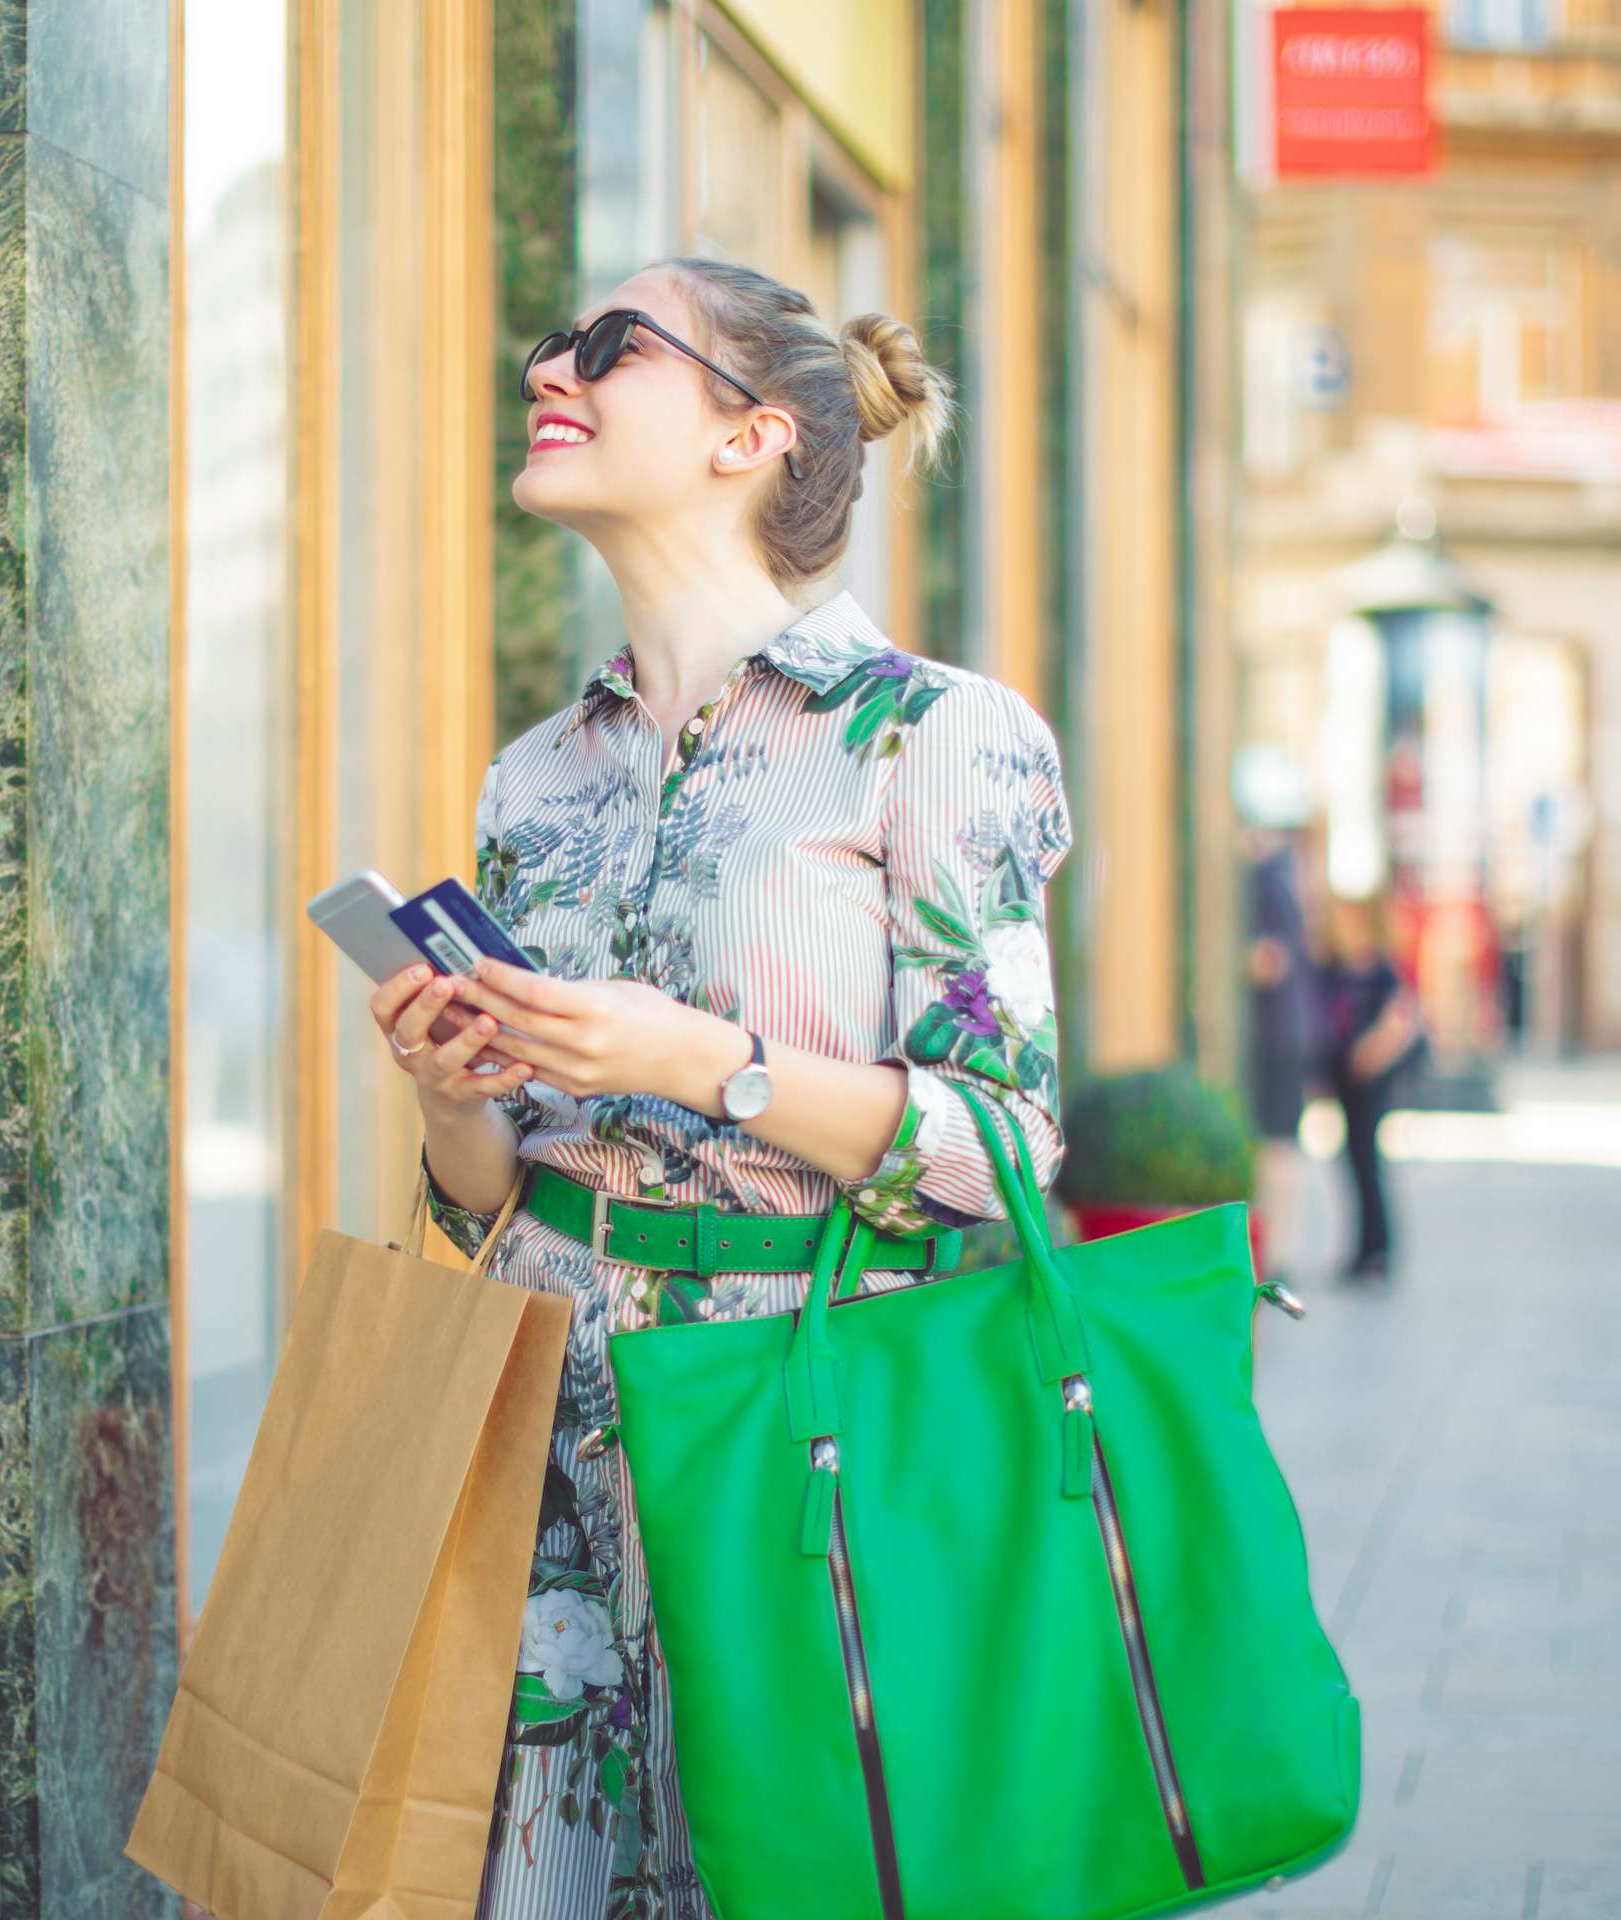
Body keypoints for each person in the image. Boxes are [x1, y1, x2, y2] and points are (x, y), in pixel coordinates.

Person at [365, 259, 1071, 1920]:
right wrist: (449, 1095)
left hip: (798, 1423)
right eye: (557, 337)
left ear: (752, 434)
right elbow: (488, 1189)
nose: (549, 360)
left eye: (611, 345)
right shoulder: (534, 776)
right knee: (527, 1880)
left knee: (776, 1873)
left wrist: (711, 1067)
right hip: (533, 1434)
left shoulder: (933, 736)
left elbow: (1008, 1145)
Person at [1319, 894, 1417, 1282]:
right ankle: (1361, 1251)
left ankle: (1378, 1251)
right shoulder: (1337, 968)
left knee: (1368, 1163)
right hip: (1346, 1081)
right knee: (1353, 1163)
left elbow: (1402, 1020)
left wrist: (1371, 1053)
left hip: (1372, 1081)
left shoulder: (1383, 972)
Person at [1242, 827, 1314, 1282]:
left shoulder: (1262, 881)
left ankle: (1278, 1254)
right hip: (1287, 1035)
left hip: (1274, 1038)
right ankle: (1279, 1251)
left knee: (1276, 1148)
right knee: (1281, 1148)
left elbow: (1269, 960)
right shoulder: (1281, 879)